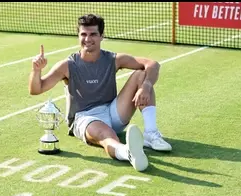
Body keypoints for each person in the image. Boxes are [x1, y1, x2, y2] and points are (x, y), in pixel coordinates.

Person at [28, 13, 172, 172]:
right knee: (107, 135)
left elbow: (152, 64)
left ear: (102, 36)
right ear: (78, 35)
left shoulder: (113, 59)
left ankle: (151, 134)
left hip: (113, 111)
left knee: (141, 74)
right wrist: (36, 71)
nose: (87, 39)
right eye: (83, 34)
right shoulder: (68, 65)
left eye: (93, 34)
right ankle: (127, 153)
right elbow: (36, 89)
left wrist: (146, 85)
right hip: (85, 117)